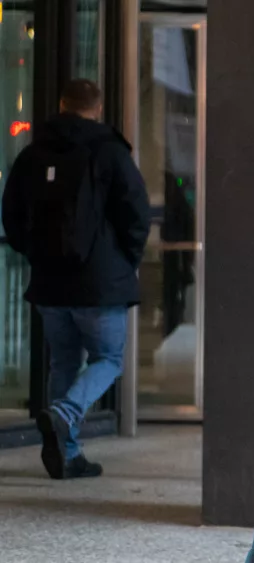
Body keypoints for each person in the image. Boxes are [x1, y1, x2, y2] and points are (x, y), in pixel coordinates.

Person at [1, 79, 151, 480]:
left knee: (64, 362)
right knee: (108, 359)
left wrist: (35, 252)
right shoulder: (109, 153)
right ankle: (66, 414)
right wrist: (125, 261)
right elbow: (136, 214)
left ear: (62, 105)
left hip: (50, 282)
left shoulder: (33, 154)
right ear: (98, 108)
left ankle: (67, 454)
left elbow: (11, 213)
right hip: (100, 283)